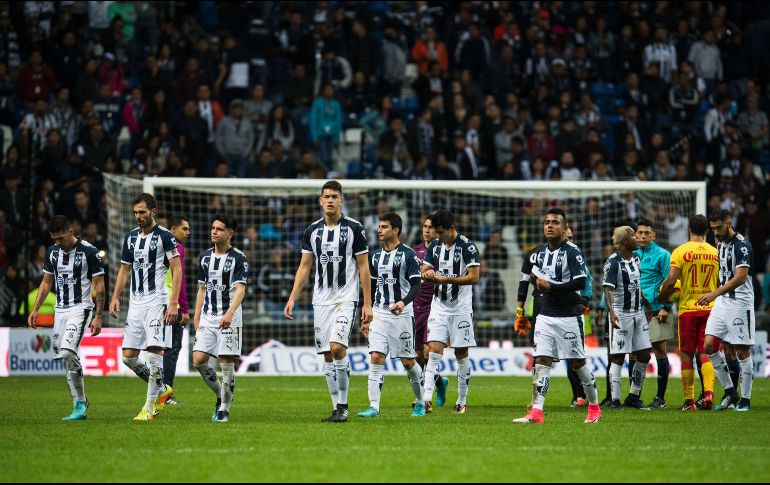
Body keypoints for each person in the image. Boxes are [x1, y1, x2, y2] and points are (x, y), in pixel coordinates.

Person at [284, 180, 373, 423]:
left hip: (346, 297)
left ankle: (344, 405)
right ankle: (335, 408)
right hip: (321, 300)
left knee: (337, 348)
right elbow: (304, 267)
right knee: (326, 355)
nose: (331, 200)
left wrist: (367, 303)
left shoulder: (355, 228)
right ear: (321, 201)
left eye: (335, 196)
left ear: (342, 200)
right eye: (327, 196)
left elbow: (364, 267)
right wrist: (292, 297)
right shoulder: (312, 231)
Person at [513, 208, 601, 424]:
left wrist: (551, 286)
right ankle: (536, 412)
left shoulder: (572, 252)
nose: (550, 225)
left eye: (555, 222)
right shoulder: (540, 254)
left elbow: (580, 282)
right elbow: (539, 282)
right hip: (545, 315)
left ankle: (594, 407)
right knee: (542, 360)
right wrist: (537, 283)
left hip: (569, 316)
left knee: (578, 364)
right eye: (547, 222)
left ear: (564, 227)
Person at [109, 193, 182, 421]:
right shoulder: (130, 238)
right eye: (135, 213)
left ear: (153, 211)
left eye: (142, 212)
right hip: (136, 303)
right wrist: (115, 296)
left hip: (157, 301)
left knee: (154, 352)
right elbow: (124, 269)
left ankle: (149, 407)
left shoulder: (166, 237)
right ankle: (161, 388)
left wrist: (173, 302)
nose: (138, 216)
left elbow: (177, 270)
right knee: (129, 357)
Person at [27, 215, 105, 420]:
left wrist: (98, 316)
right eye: (54, 239)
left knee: (68, 352)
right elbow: (46, 283)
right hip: (60, 311)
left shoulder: (89, 252)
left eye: (60, 238)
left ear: (72, 232)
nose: (57, 243)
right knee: (64, 356)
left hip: (81, 308)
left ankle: (80, 402)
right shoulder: (53, 253)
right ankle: (77, 405)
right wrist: (35, 309)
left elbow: (100, 286)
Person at [358, 212, 426, 418]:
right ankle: (374, 407)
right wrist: (367, 311)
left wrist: (403, 302)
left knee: (408, 362)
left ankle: (421, 402)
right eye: (379, 226)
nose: (379, 230)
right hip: (379, 312)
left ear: (395, 230)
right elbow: (371, 286)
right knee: (376, 357)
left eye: (384, 226)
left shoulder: (408, 255)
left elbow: (416, 286)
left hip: (401, 315)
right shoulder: (375, 256)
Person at [420, 209, 480, 414]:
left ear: (452, 229)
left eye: (441, 232)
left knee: (461, 353)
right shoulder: (436, 245)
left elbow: (474, 277)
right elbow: (425, 267)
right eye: (436, 232)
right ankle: (426, 399)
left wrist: (447, 279)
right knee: (433, 350)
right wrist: (427, 272)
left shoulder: (468, 247)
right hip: (439, 307)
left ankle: (461, 401)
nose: (438, 237)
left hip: (461, 310)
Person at [659, 214, 719, 411]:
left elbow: (672, 279)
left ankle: (689, 401)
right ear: (707, 231)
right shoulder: (715, 252)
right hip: (710, 308)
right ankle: (709, 393)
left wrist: (664, 295)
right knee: (705, 353)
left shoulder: (680, 251)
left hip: (688, 309)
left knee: (686, 354)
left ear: (689, 230)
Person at [192, 214, 248, 422]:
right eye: (213, 228)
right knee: (198, 360)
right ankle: (220, 393)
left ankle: (224, 408)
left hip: (229, 316)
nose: (214, 231)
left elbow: (240, 290)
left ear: (230, 234)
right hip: (208, 315)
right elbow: (201, 289)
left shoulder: (239, 258)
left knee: (226, 362)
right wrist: (196, 316)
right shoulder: (205, 257)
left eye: (219, 229)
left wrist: (230, 314)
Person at [700, 210, 755, 411]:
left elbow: (741, 277)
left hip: (740, 303)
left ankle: (746, 400)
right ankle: (731, 392)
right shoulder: (720, 242)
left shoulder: (742, 245)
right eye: (712, 228)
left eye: (718, 227)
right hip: (723, 302)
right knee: (708, 345)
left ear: (729, 222)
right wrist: (716, 294)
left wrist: (713, 293)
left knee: (741, 350)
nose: (715, 231)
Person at [602, 226, 653, 410]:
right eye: (633, 235)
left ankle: (633, 395)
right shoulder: (613, 262)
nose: (637, 237)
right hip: (621, 314)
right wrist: (612, 313)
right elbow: (608, 289)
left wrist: (646, 304)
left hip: (638, 312)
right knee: (618, 356)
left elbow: (636, 285)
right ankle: (614, 400)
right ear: (624, 241)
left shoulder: (637, 258)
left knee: (645, 354)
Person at [634, 219, 674, 409]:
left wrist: (667, 306)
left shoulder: (663, 255)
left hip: (657, 309)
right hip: (634, 310)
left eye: (646, 233)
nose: (642, 236)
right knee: (635, 354)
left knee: (659, 351)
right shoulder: (632, 254)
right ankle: (635, 396)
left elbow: (670, 281)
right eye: (639, 232)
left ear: (654, 235)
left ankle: (660, 397)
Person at [411, 214, 447, 410]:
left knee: (428, 351)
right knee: (416, 356)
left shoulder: (443, 251)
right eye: (425, 226)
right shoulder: (414, 251)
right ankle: (440, 383)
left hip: (435, 304)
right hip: (416, 305)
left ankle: (426, 398)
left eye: (431, 227)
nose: (427, 230)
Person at [163, 214, 190, 405]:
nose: (188, 232)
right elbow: (179, 281)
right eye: (184, 229)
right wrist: (185, 309)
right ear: (173, 230)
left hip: (159, 303)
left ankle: (161, 390)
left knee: (163, 349)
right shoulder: (176, 248)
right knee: (172, 349)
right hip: (173, 305)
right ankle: (165, 393)